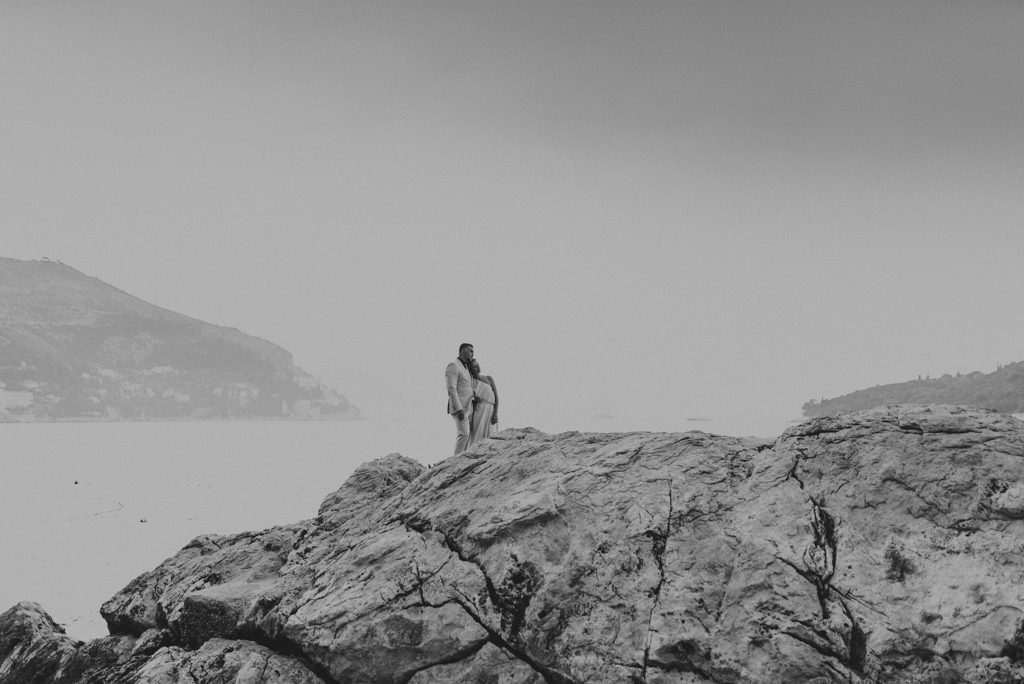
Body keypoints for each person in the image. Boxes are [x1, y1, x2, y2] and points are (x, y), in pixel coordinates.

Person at [444, 343, 476, 455]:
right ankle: (455, 461)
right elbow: (451, 388)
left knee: (469, 436)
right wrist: (459, 409)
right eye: (470, 351)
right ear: (463, 351)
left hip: (469, 407)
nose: (473, 353)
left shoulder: (467, 368)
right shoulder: (453, 365)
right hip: (460, 407)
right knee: (464, 434)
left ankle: (462, 458)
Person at [468, 359, 498, 447]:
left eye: (478, 365)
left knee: (491, 432)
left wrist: (495, 414)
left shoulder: (488, 378)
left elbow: (496, 397)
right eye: (475, 366)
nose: (478, 367)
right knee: (478, 434)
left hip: (491, 409)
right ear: (470, 369)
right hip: (479, 410)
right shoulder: (471, 382)